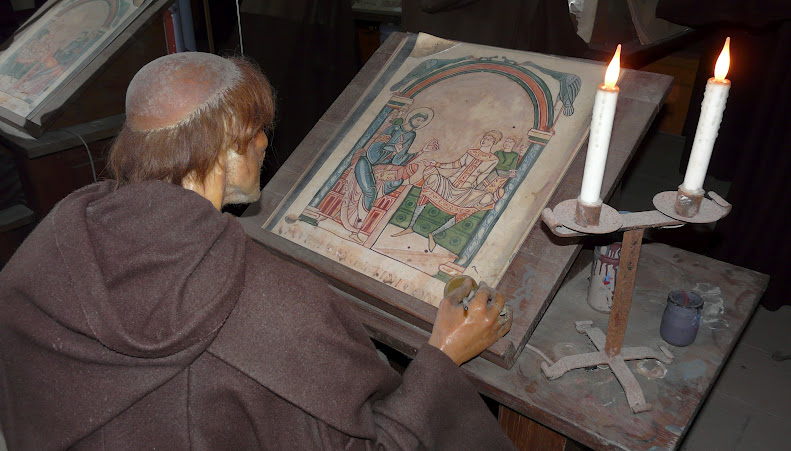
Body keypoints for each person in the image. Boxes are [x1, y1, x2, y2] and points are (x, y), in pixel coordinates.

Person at [0, 52, 514, 449]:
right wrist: (443, 356)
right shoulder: (283, 309)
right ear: (229, 145)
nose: (266, 143)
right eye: (257, 131)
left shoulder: (46, 249)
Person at [393, 130, 504, 251]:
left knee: (487, 197)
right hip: (448, 186)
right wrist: (436, 164)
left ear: (494, 142)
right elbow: (456, 164)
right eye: (485, 137)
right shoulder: (471, 152)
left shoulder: (493, 160)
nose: (485, 140)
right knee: (432, 177)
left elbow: (482, 177)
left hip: (464, 192)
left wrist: (481, 190)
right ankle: (410, 226)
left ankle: (434, 234)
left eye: (489, 139)